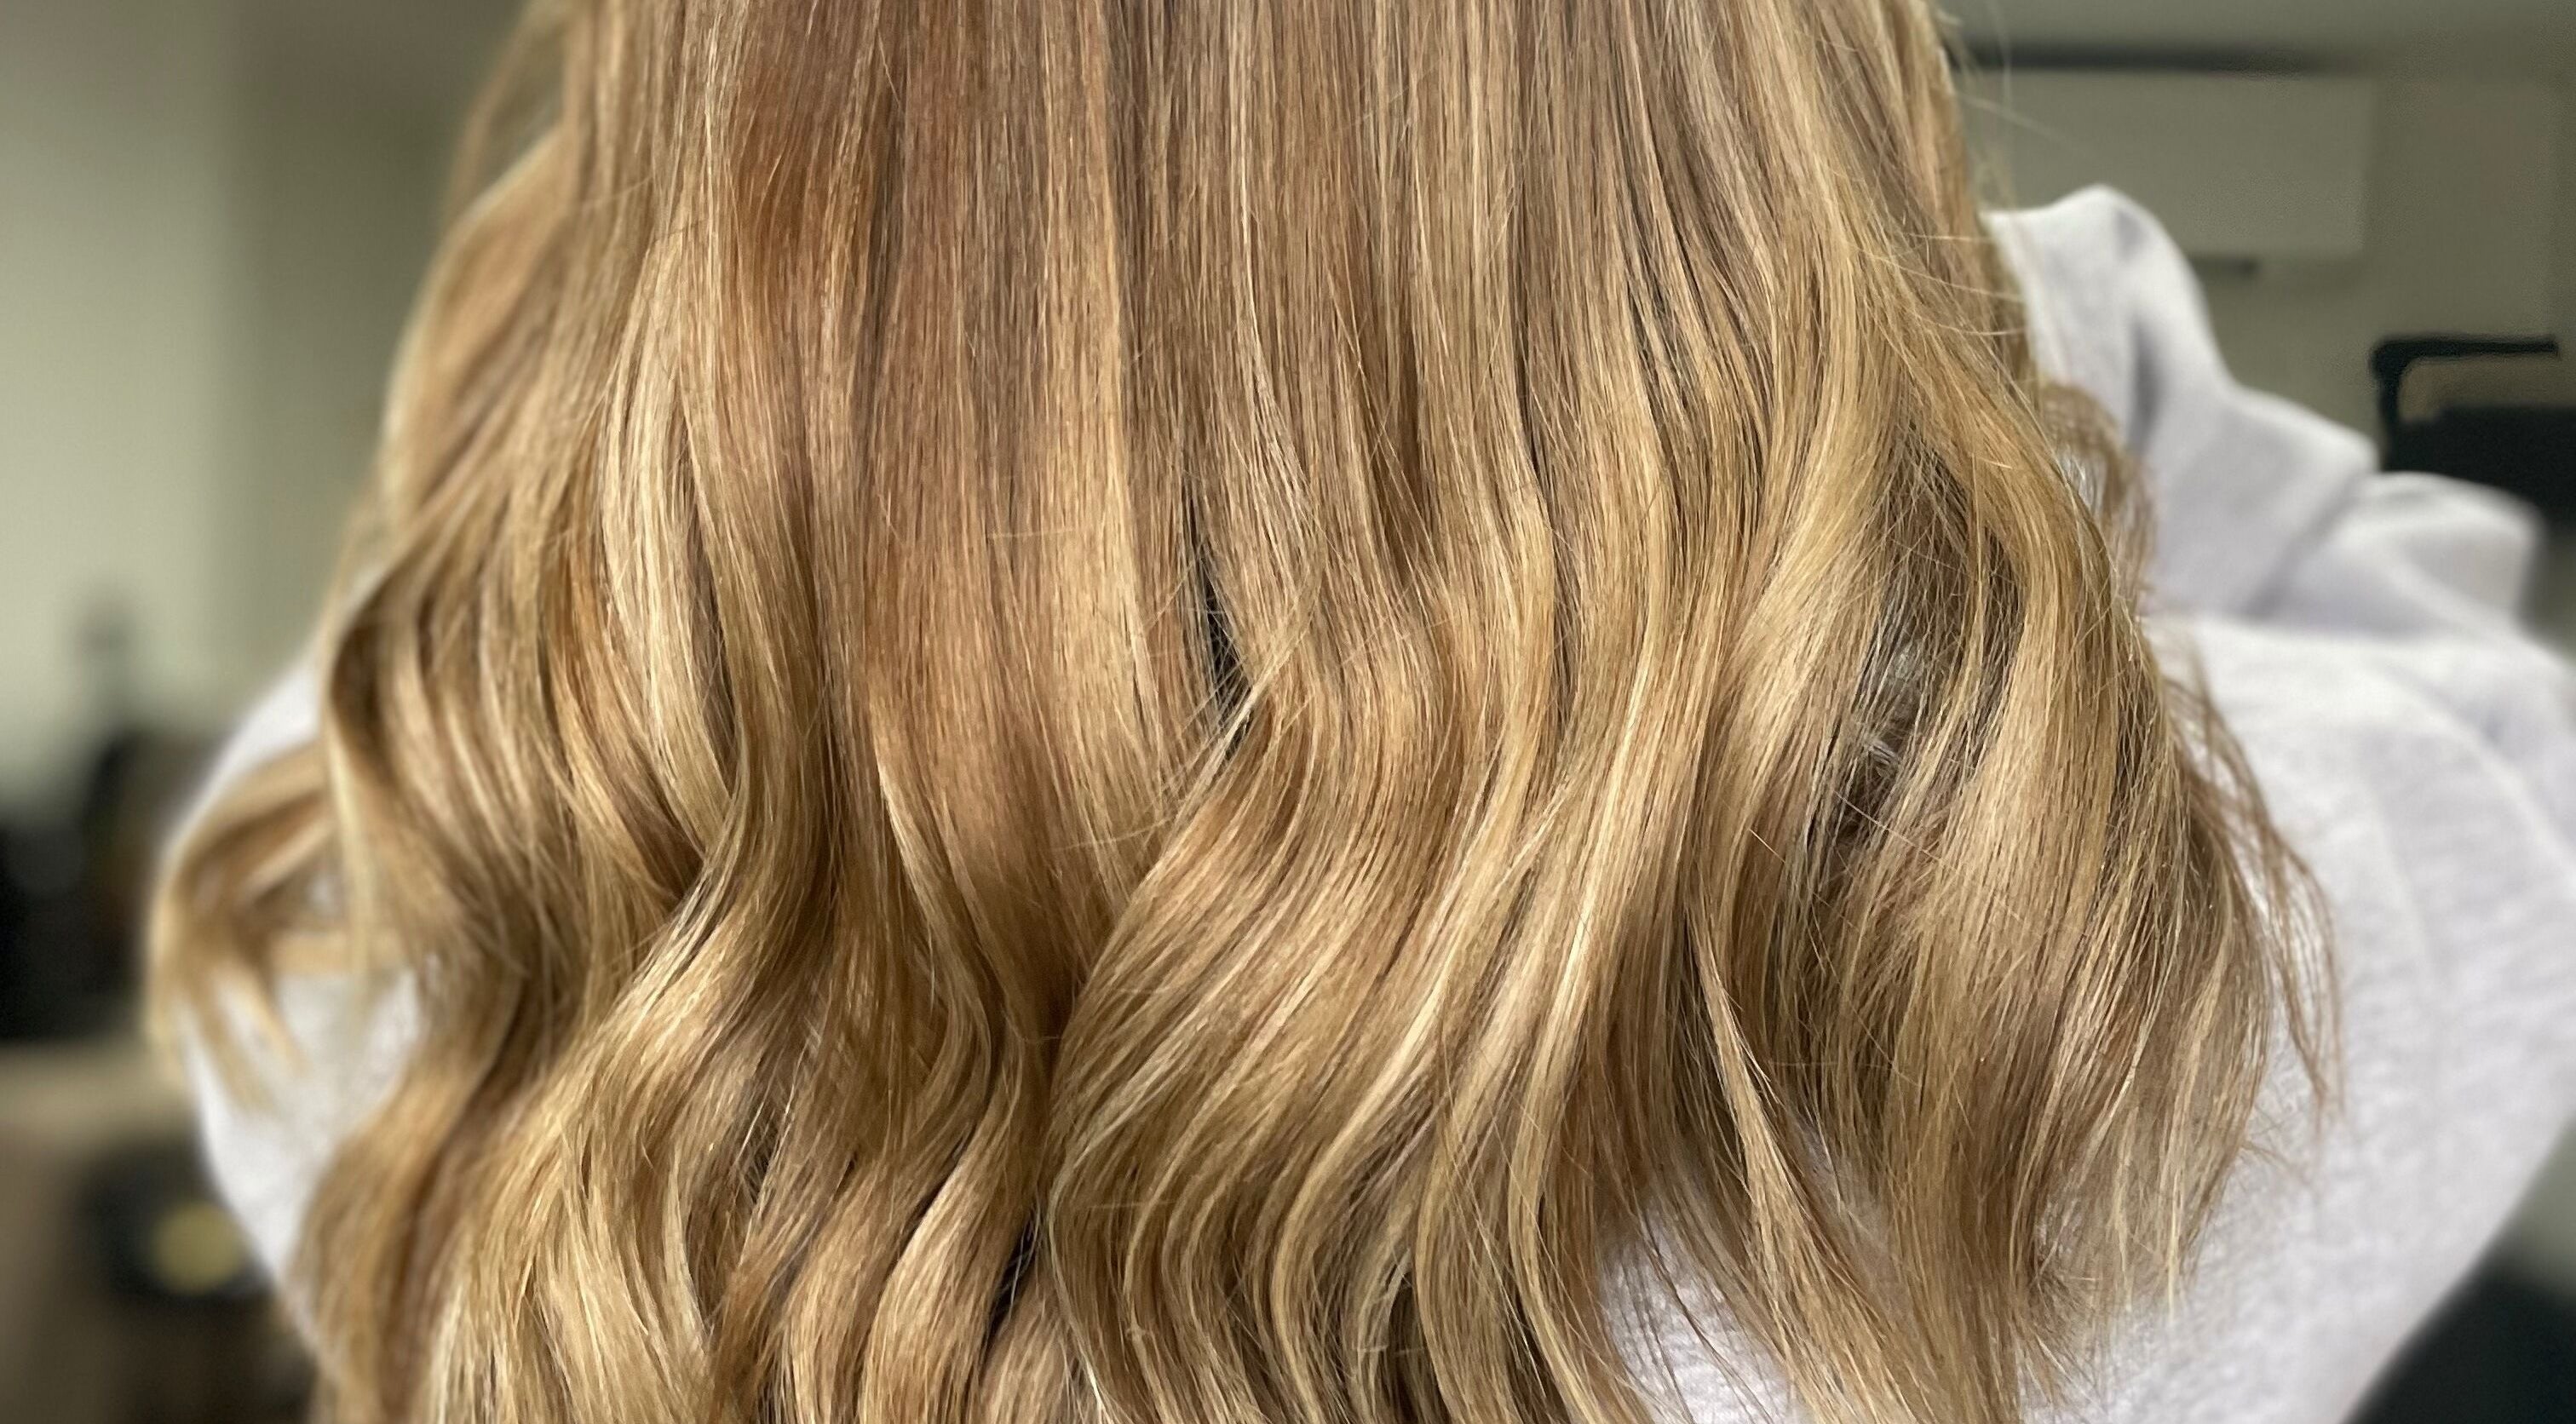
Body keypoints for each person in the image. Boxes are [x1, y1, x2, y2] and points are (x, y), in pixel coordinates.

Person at [152, 3, 2576, 1422]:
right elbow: (2480, 696)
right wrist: (2021, 323)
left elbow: (413, 652)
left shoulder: (369, 1036)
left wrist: (607, 340)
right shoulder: (2142, 1097)